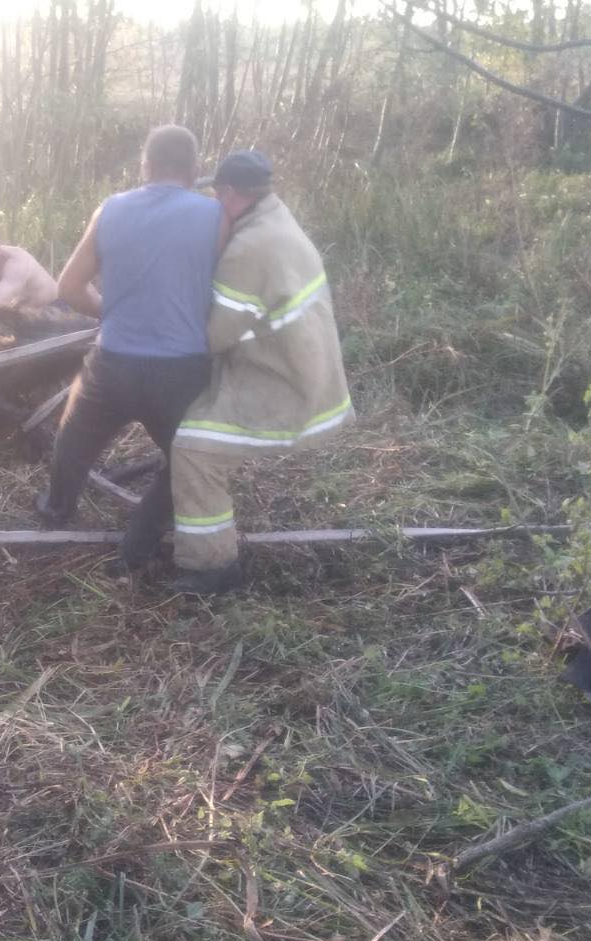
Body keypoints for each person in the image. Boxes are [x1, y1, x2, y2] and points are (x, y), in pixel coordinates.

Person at [35, 125, 223, 573]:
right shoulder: (216, 216)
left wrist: (113, 313)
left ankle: (55, 510)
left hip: (113, 364)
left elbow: (70, 287)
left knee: (72, 440)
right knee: (188, 463)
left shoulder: (112, 209)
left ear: (145, 165)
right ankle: (138, 541)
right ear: (195, 168)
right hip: (181, 371)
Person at [167, 151, 353, 595]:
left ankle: (213, 566)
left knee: (191, 448)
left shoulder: (249, 249)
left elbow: (213, 337)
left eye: (217, 193)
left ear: (231, 193)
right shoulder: (276, 219)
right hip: (308, 370)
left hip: (286, 386)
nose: (215, 201)